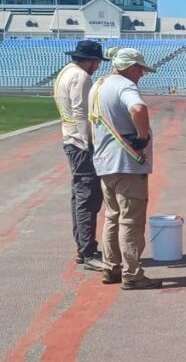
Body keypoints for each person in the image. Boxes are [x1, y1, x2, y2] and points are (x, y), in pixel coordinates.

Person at [89, 47, 162, 291]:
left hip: (104, 162)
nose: (142, 73)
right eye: (140, 68)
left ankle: (112, 267)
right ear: (129, 66)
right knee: (131, 220)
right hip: (127, 163)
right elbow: (139, 109)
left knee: (112, 216)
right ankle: (132, 274)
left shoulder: (99, 85)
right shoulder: (125, 86)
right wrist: (142, 138)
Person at [53, 40, 109, 270]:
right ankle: (87, 252)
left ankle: (83, 247)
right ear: (92, 61)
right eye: (97, 62)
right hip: (79, 141)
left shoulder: (65, 72)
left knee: (79, 197)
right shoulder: (81, 77)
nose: (97, 67)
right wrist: (89, 142)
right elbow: (80, 110)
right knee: (88, 197)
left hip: (69, 137)